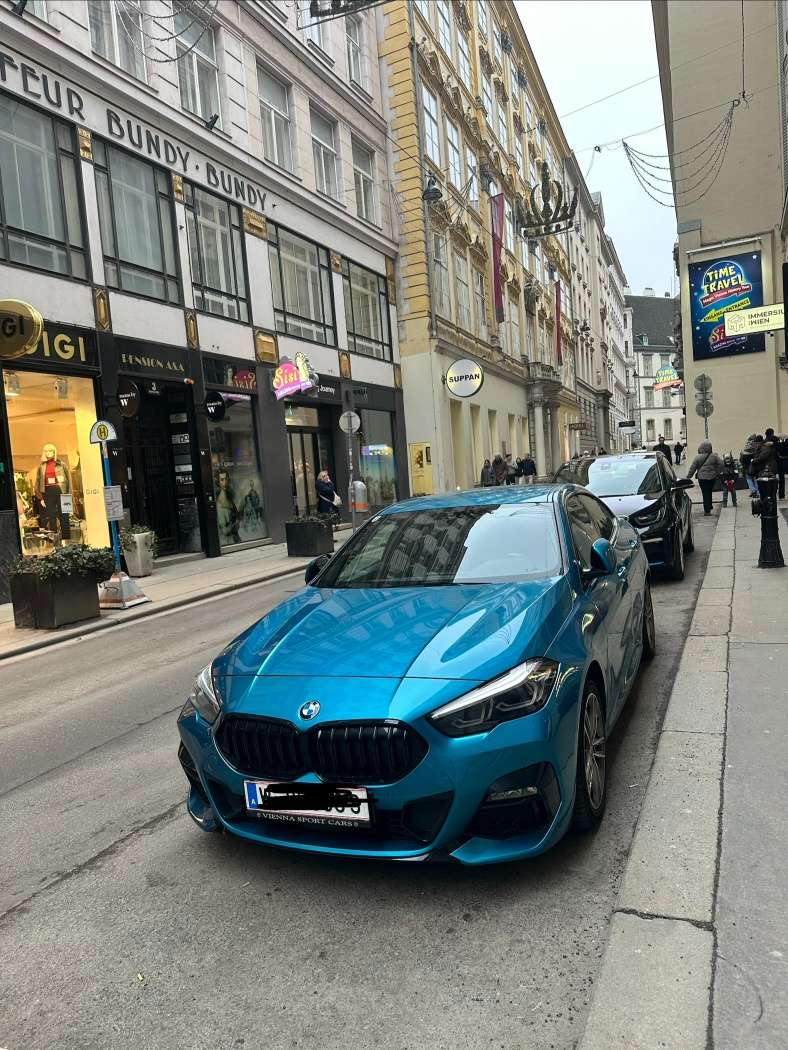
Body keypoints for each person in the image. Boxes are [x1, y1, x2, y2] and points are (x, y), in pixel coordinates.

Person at [687, 440, 723, 514]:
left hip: (702, 478)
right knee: (709, 491)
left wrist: (689, 476)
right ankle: (709, 506)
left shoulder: (697, 457)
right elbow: (721, 464)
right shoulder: (714, 456)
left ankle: (707, 510)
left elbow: (693, 467)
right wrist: (717, 472)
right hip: (712, 478)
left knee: (705, 493)